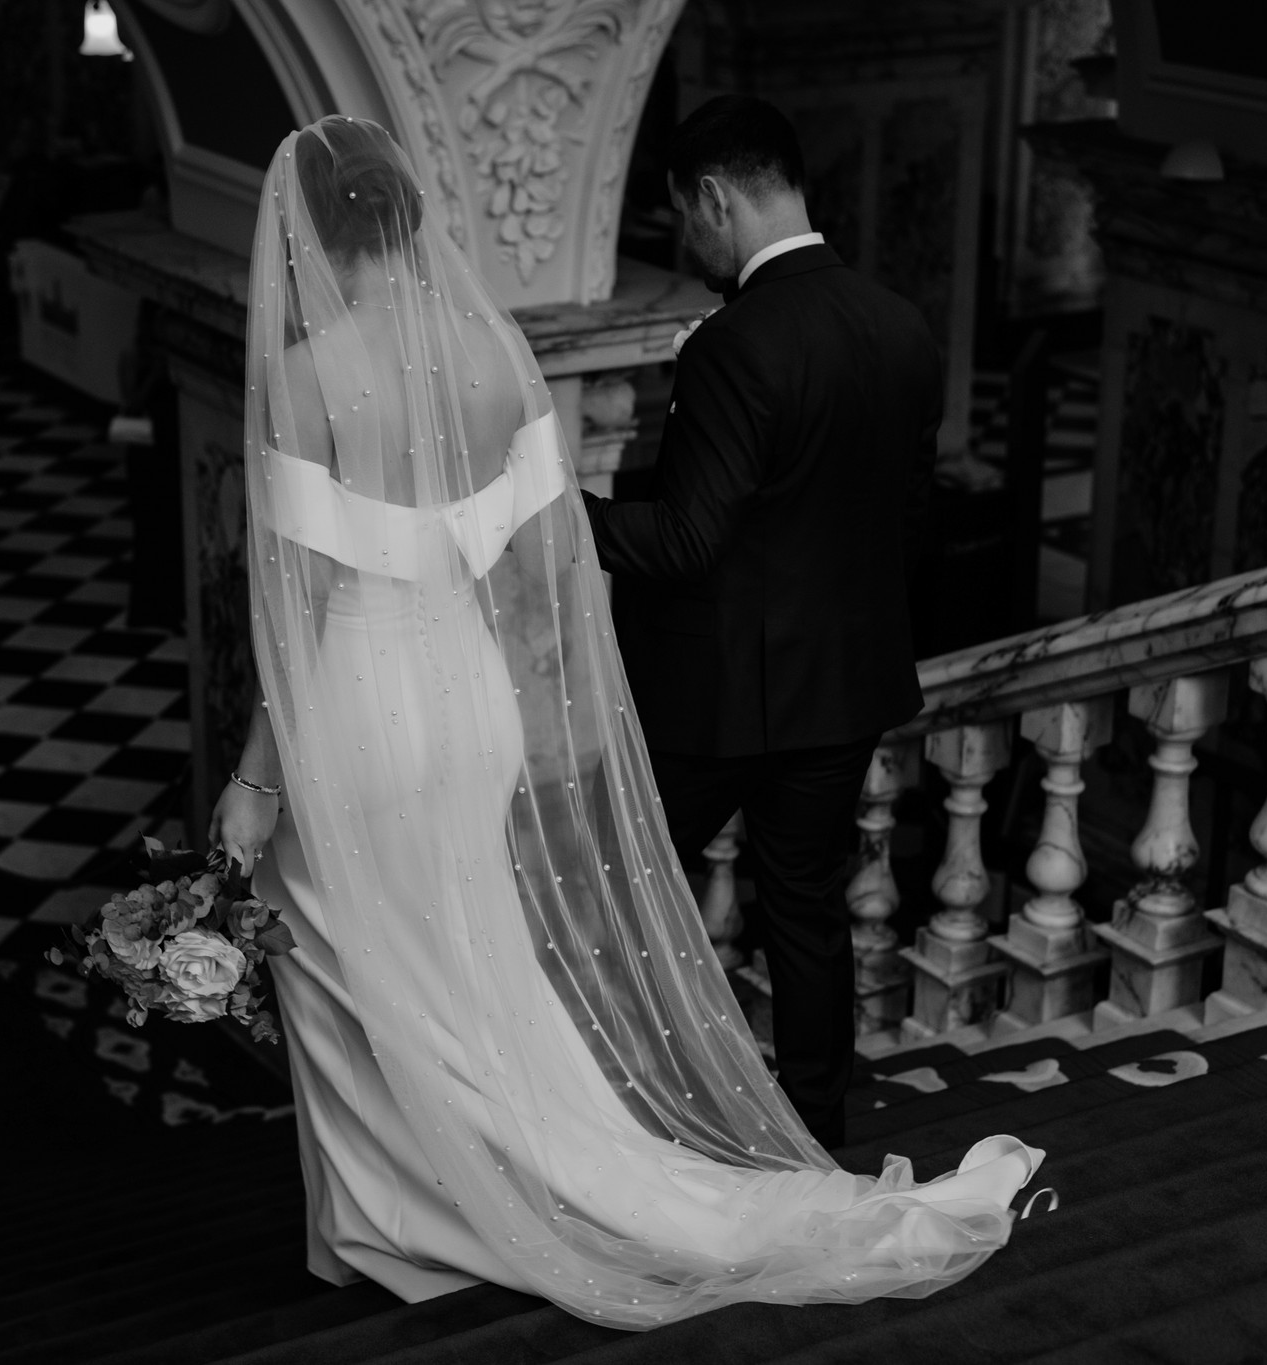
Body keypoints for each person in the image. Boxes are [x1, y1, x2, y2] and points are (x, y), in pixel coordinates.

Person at [207, 114, 1038, 1330]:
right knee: (473, 956)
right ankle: (530, 1180)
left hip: (363, 706)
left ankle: (406, 1224)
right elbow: (530, 563)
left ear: (315, 240)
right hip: (474, 697)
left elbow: (307, 594)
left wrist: (254, 779)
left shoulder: (301, 373)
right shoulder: (496, 360)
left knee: (359, 967)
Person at [580, 95, 939, 1150]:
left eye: (680, 218)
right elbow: (901, 520)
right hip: (843, 684)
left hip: (716, 696)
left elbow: (689, 541)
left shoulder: (733, 345)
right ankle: (817, 1135)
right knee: (805, 915)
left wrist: (553, 512)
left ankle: (621, 1115)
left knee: (613, 889)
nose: (682, 242)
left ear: (711, 196)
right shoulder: (899, 324)